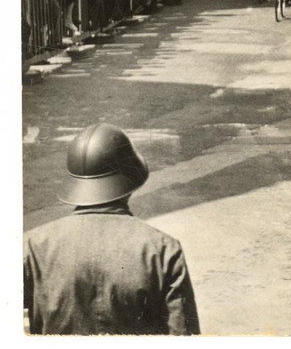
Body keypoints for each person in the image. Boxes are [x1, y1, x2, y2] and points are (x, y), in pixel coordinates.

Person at [23, 123, 200, 335]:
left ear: (76, 182)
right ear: (130, 182)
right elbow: (184, 334)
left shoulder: (33, 246)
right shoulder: (163, 249)